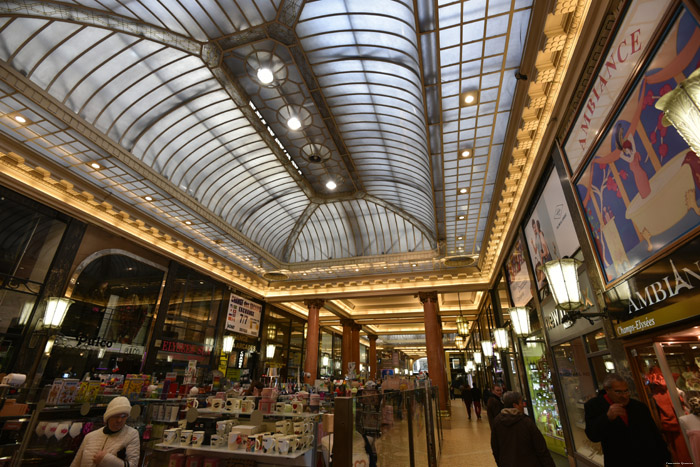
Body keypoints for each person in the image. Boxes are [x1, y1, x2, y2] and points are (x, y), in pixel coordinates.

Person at [584, 373, 670, 467]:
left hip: (648, 461)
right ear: (607, 390)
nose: (624, 396)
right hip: (620, 462)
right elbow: (593, 435)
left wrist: (666, 458)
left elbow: (654, 434)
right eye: (618, 392)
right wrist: (607, 418)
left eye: (626, 391)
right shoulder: (594, 405)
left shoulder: (639, 407)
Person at [491, 391, 555, 467]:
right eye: (521, 403)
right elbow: (541, 449)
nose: (523, 405)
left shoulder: (497, 422)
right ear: (515, 405)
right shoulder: (526, 422)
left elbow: (495, 448)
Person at [71, 396, 140, 467]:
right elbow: (76, 463)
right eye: (116, 416)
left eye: (123, 416)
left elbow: (133, 465)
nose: (119, 420)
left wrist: (106, 459)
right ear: (108, 417)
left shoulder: (131, 434)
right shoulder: (90, 436)